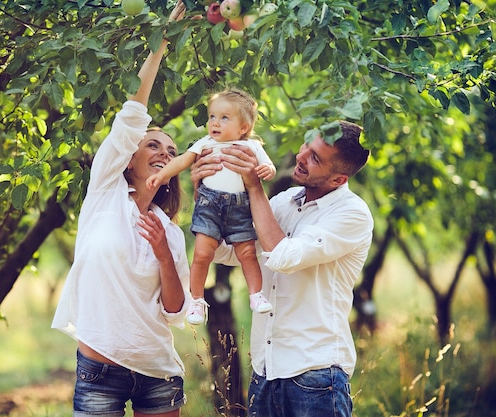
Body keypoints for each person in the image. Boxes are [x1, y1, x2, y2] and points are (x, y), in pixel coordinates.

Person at [51, 2, 192, 416]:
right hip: (100, 370)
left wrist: (165, 254)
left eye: (172, 150)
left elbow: (175, 310)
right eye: (153, 145)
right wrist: (161, 42)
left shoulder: (171, 230)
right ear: (128, 158)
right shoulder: (104, 195)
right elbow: (133, 115)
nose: (164, 153)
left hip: (159, 372)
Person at [191, 121, 373, 417]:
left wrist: (253, 186)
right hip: (266, 371)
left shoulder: (352, 214)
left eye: (315, 158)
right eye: (306, 145)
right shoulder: (284, 201)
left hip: (315, 375)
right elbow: (227, 250)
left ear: (339, 179)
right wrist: (206, 194)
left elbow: (283, 256)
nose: (301, 156)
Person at [146, 88, 276, 325]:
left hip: (239, 208)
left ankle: (256, 294)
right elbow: (182, 160)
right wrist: (162, 174)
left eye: (224, 118)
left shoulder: (253, 147)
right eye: (212, 117)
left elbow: (268, 166)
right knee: (202, 253)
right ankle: (196, 300)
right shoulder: (205, 143)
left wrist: (267, 169)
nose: (215, 123)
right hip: (209, 205)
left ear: (243, 128)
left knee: (247, 253)